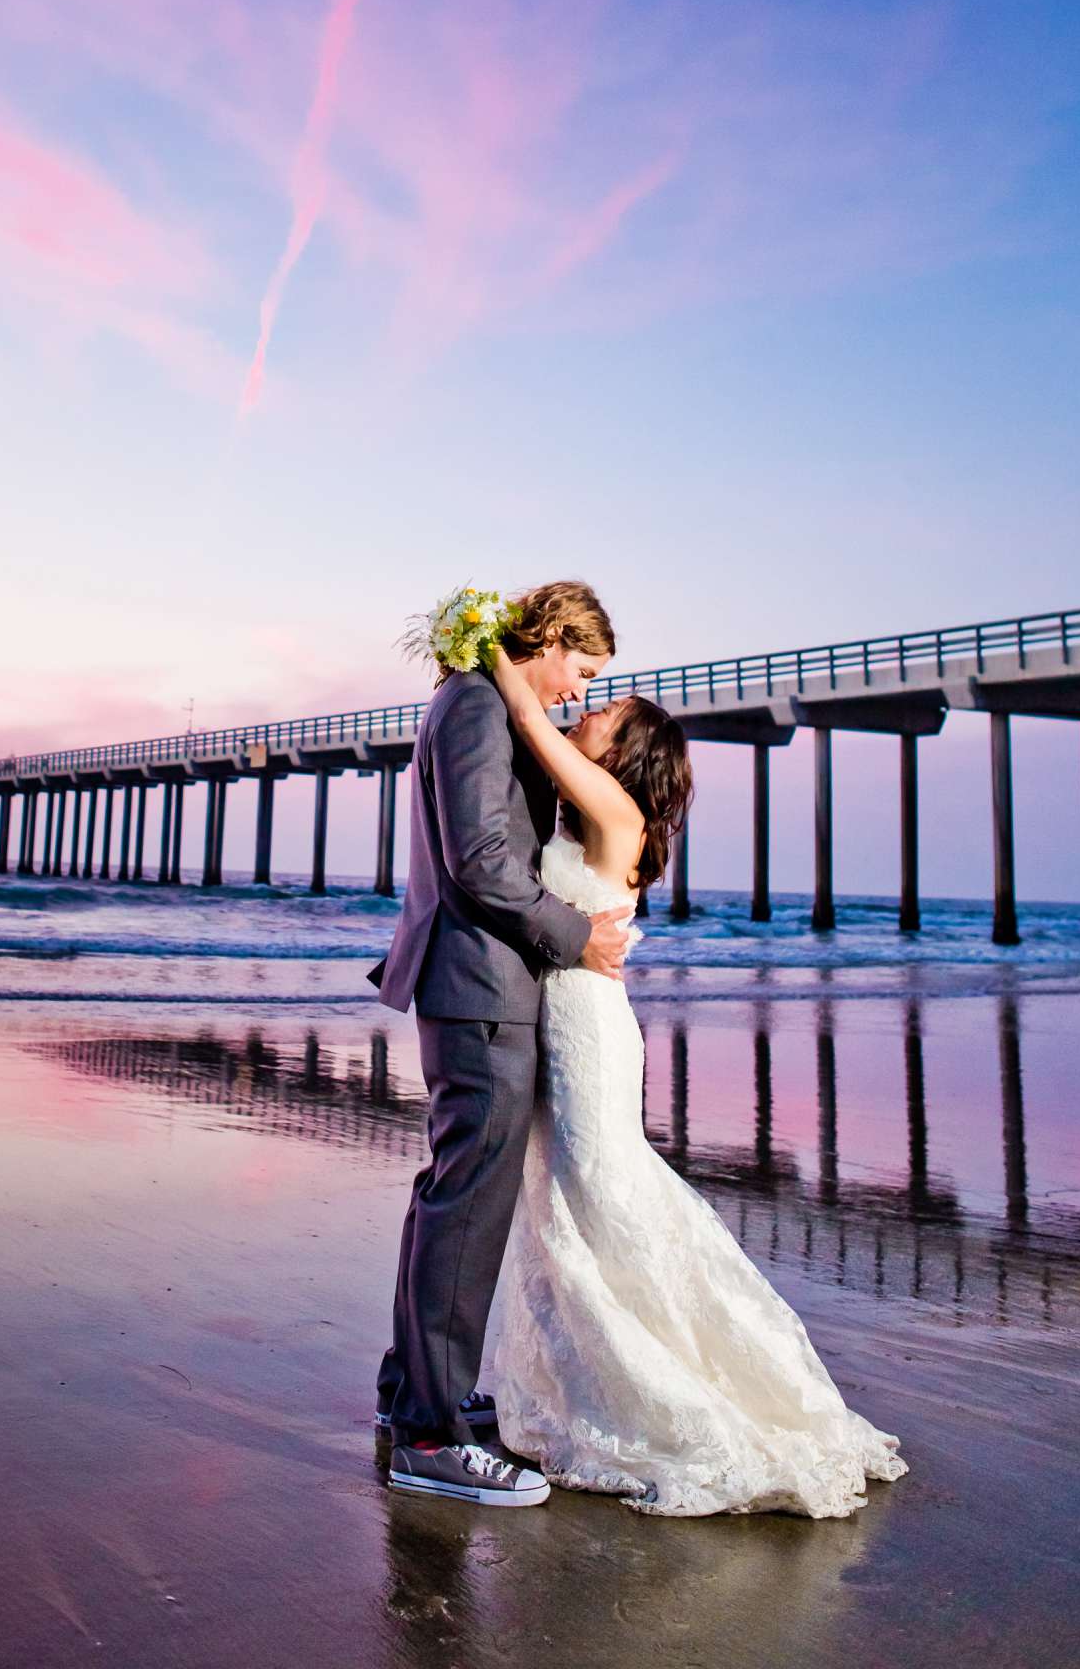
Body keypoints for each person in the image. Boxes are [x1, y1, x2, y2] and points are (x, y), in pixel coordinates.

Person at [484, 646, 908, 1516]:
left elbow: (528, 720)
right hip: (568, 1023)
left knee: (605, 1195)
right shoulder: (587, 812)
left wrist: (487, 643)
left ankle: (674, 1398)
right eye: (594, 699)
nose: (588, 711)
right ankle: (590, 1393)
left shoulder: (616, 810)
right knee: (568, 1203)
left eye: (608, 712)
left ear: (630, 751)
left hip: (589, 1033)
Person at [369, 580, 634, 1506]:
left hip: (471, 985)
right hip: (482, 988)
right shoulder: (478, 705)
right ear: (552, 638)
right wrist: (577, 934)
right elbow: (481, 860)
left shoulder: (475, 699)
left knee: (451, 1192)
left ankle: (415, 1396)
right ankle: (433, 1439)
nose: (578, 690)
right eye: (583, 669)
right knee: (469, 1203)